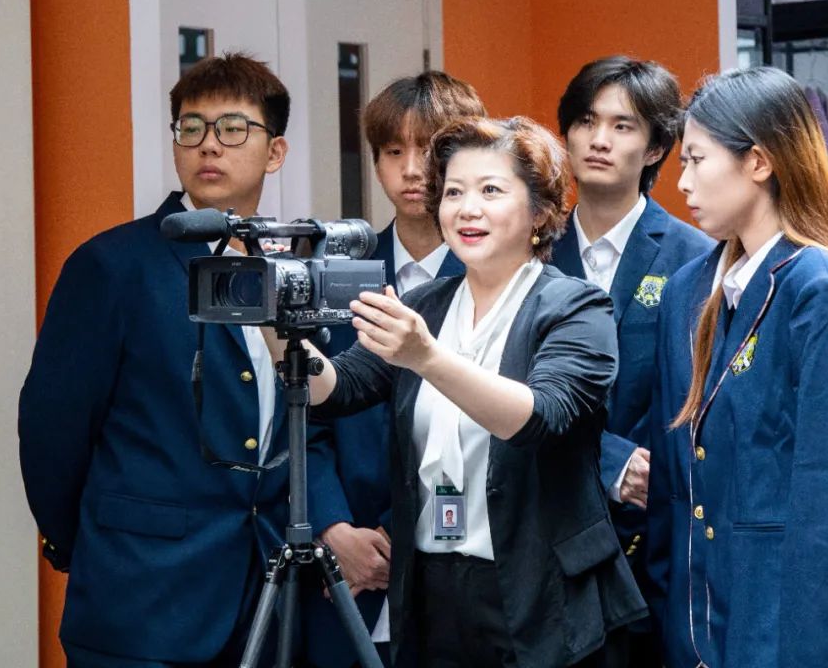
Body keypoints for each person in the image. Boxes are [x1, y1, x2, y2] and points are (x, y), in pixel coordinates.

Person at [286, 116, 646, 668]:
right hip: (432, 586)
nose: (467, 209)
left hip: (542, 590)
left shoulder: (577, 306)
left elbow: (542, 417)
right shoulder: (427, 304)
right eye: (453, 192)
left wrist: (427, 358)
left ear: (540, 212)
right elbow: (338, 389)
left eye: (490, 190)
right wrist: (281, 327)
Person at [18, 52, 292, 667]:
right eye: (191, 128)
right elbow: (52, 428)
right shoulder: (113, 265)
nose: (208, 145)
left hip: (266, 597)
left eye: (233, 128)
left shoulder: (291, 269)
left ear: (275, 152)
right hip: (141, 597)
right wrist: (89, 543)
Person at [645, 66, 828, 667]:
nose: (682, 182)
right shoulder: (695, 289)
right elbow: (680, 484)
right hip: (708, 625)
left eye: (696, 160)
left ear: (759, 162)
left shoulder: (824, 288)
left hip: (796, 633)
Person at [305, 71, 484, 668]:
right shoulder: (334, 271)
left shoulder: (496, 279)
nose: (412, 170)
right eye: (392, 152)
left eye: (429, 150)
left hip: (459, 562)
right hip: (346, 560)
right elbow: (306, 416)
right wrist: (332, 526)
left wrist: (399, 531)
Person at [549, 56, 713, 664]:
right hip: (546, 534)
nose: (599, 139)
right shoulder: (529, 251)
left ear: (655, 148)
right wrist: (611, 459)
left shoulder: (697, 257)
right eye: (586, 121)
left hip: (652, 537)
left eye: (623, 126)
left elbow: (700, 399)